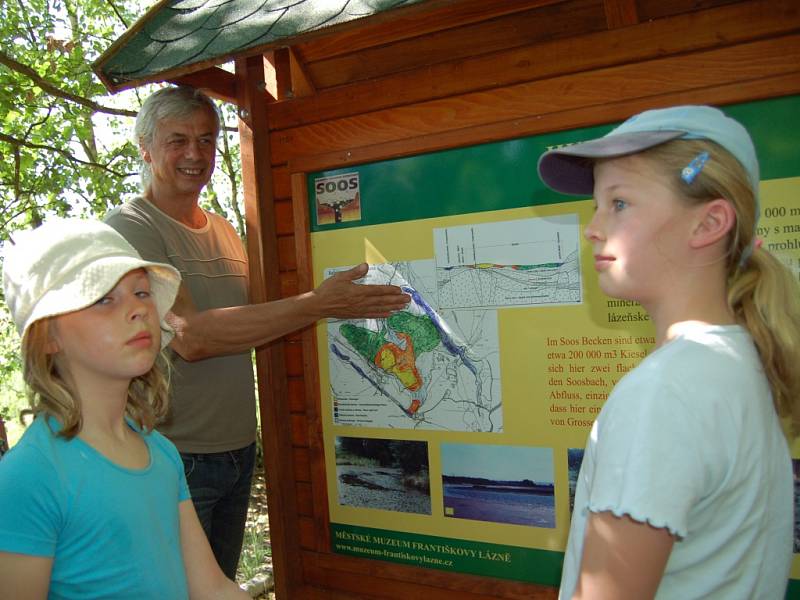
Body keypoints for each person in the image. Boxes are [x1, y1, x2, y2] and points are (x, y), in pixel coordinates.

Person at [104, 85, 410, 578]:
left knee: (218, 583)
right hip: (172, 456)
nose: (194, 154)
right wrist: (319, 303)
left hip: (238, 453)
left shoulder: (225, 229)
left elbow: (260, 322)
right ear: (145, 148)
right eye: (177, 140)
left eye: (206, 140)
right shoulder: (131, 228)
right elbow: (191, 337)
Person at [537, 105, 799, 599]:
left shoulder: (664, 392)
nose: (592, 228)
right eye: (596, 204)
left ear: (708, 223)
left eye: (619, 204)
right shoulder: (742, 363)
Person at [0, 218, 250, 599]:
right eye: (104, 298)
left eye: (143, 293)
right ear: (48, 336)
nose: (137, 310)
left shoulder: (161, 453)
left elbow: (212, 589)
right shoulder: (30, 476)